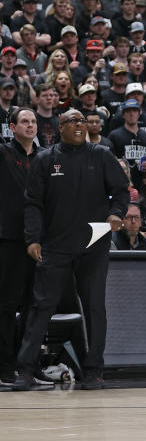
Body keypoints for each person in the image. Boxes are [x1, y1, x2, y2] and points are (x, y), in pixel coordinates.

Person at [13, 109, 129, 390]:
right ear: (59, 127)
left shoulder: (101, 155)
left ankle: (94, 371)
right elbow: (33, 204)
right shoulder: (45, 159)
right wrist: (32, 239)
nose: (80, 125)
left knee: (94, 307)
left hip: (93, 245)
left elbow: (122, 190)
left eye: (82, 121)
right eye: (72, 121)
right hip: (56, 245)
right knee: (41, 306)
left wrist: (116, 212)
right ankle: (25, 370)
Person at [0, 108, 40, 385]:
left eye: (34, 121)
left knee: (35, 306)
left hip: (38, 240)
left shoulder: (46, 158)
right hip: (9, 239)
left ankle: (29, 366)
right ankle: (4, 367)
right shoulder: (3, 154)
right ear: (12, 127)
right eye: (24, 121)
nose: (30, 125)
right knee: (5, 305)